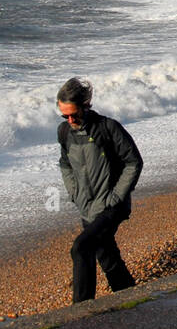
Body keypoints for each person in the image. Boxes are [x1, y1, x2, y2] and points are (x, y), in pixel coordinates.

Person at [55, 77, 142, 302]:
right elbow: (65, 164)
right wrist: (74, 192)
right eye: (65, 115)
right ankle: (130, 297)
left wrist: (115, 197)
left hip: (111, 206)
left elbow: (133, 162)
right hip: (86, 207)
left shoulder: (108, 128)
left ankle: (80, 311)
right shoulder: (64, 132)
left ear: (86, 105)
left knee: (80, 247)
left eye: (74, 114)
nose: (70, 119)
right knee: (106, 256)